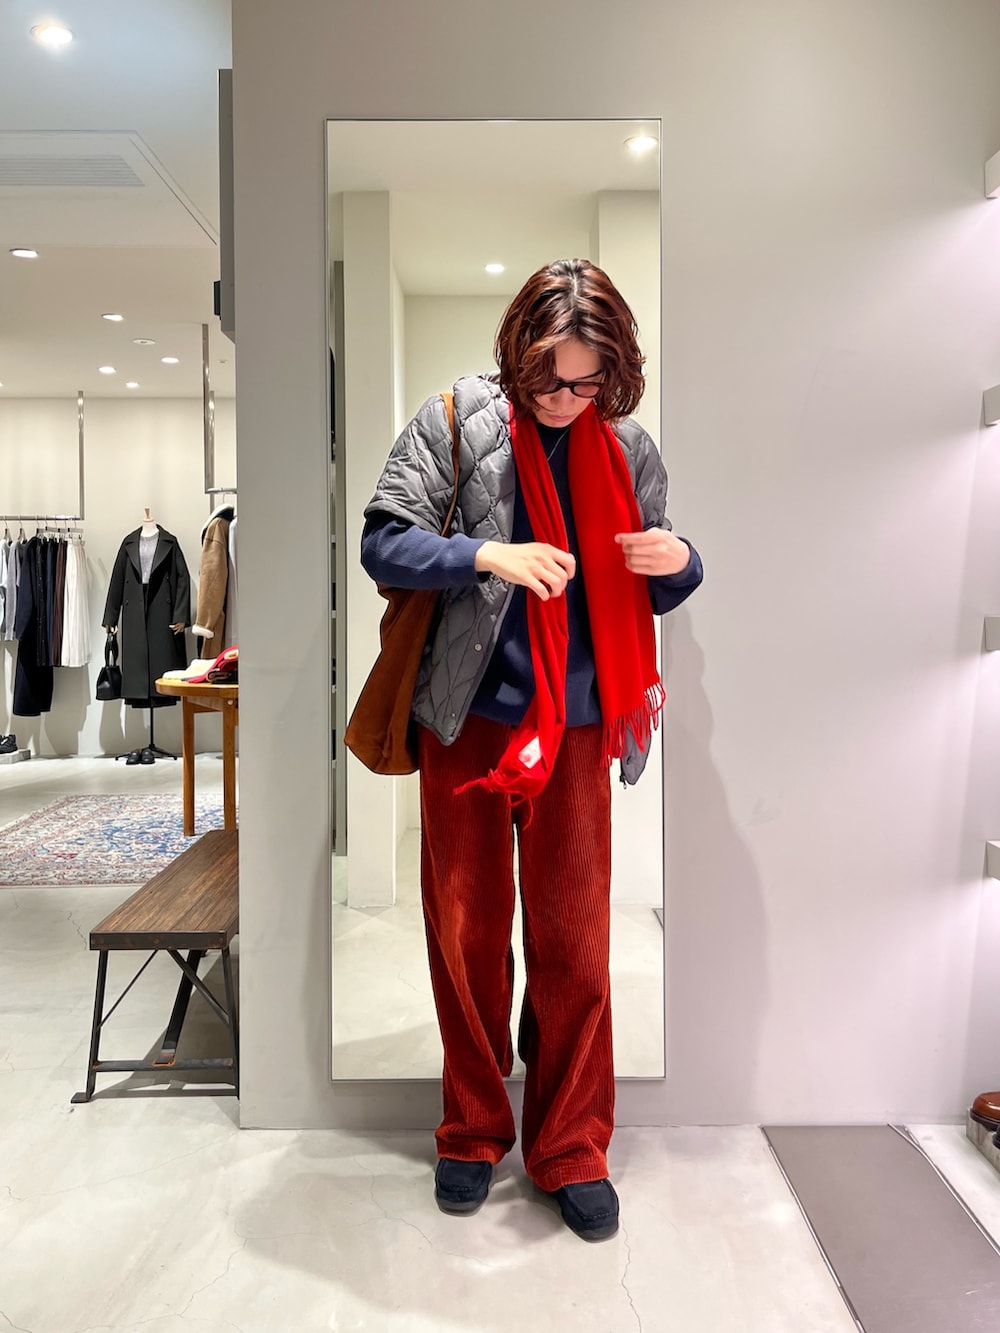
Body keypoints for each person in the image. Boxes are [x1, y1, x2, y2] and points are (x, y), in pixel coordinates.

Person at [360, 258, 703, 1241]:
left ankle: (570, 1144)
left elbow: (653, 576)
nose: (564, 397)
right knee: (466, 936)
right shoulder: (454, 420)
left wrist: (682, 561)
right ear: (518, 350)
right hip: (468, 720)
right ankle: (472, 1130)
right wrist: (484, 553)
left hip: (580, 727)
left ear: (615, 374)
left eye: (588, 381)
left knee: (576, 944)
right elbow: (383, 541)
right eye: (550, 376)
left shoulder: (627, 448)